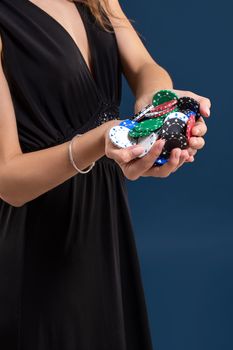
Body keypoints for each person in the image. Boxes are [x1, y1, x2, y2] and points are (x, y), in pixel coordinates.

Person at [0, 0, 210, 349]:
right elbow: (7, 179)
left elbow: (144, 65)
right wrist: (103, 140)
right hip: (36, 246)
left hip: (104, 227)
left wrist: (160, 106)